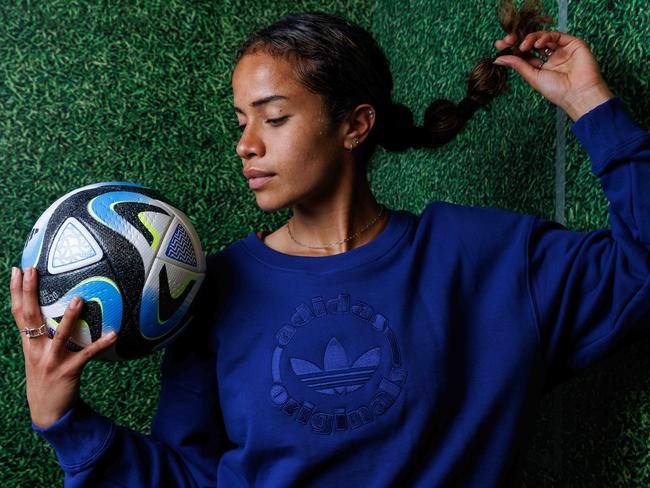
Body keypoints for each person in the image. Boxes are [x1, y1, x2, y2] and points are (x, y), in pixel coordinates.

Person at [10, 6, 650, 487]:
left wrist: (589, 101)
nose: (246, 144)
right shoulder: (213, 289)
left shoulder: (488, 258)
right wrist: (64, 423)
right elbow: (189, 477)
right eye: (241, 122)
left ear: (355, 124)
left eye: (274, 117)